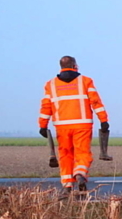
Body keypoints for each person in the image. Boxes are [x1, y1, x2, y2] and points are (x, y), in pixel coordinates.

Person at [38, 56, 108, 193]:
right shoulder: (85, 81)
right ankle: (80, 173)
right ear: (74, 65)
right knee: (82, 152)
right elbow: (96, 102)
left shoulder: (51, 84)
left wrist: (43, 125)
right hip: (83, 125)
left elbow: (46, 106)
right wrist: (103, 120)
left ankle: (67, 185)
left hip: (62, 126)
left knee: (65, 154)